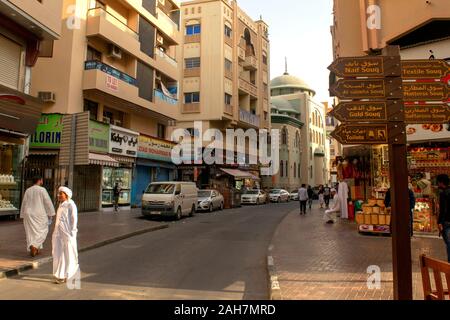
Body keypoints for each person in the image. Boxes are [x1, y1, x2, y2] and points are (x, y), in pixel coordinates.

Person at [20, 176, 56, 257]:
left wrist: (22, 214)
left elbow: (24, 202)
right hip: (39, 213)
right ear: (40, 180)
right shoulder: (42, 190)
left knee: (31, 231)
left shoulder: (28, 190)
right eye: (42, 180)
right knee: (43, 230)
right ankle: (34, 245)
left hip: (28, 214)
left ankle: (36, 248)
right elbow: (47, 202)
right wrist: (51, 213)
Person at [52, 187, 79, 284]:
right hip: (58, 234)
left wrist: (72, 232)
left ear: (66, 195)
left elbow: (73, 219)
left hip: (68, 234)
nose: (58, 195)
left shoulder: (71, 204)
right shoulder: (61, 205)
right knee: (59, 253)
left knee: (68, 254)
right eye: (58, 193)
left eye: (61, 194)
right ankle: (60, 275)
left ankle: (68, 274)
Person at [436, 174, 450, 263]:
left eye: (438, 182)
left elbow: (443, 209)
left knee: (449, 242)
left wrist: (439, 222)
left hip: (447, 221)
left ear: (441, 182)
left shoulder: (443, 193)